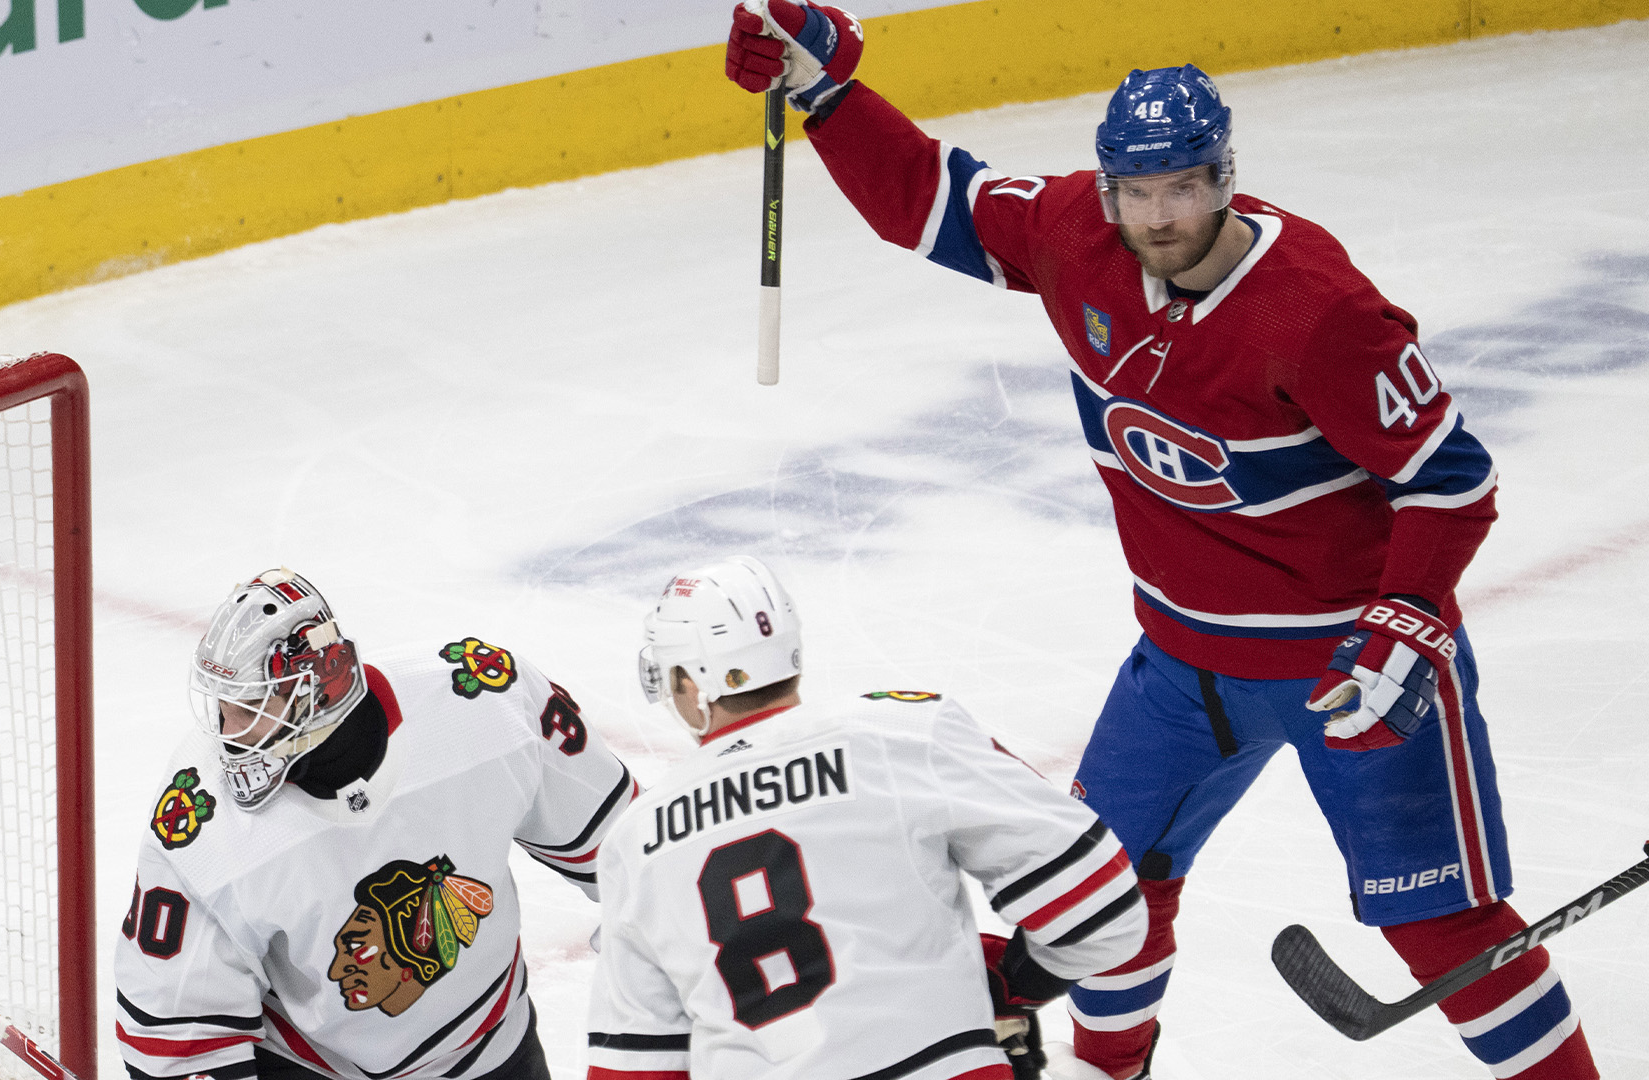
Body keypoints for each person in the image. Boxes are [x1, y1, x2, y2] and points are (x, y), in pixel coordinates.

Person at [722, 6, 1601, 1080]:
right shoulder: (1073, 236)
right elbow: (931, 198)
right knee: (1098, 888)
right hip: (1180, 665)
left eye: (1183, 187)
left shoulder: (1319, 312)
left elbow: (1451, 479)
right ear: (1106, 190)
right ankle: (1109, 1070)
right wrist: (827, 95)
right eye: (1138, 192)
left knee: (1445, 928)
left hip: (1346, 666)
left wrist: (1407, 620)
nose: (1161, 214)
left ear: (1224, 177)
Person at [584, 556, 1146, 1080]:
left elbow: (632, 1068)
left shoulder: (635, 838)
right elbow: (1103, 914)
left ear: (688, 681)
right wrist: (1012, 979)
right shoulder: (902, 731)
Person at [115, 568, 637, 1080]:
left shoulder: (484, 697)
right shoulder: (198, 816)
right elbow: (179, 1039)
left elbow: (638, 857)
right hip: (312, 1064)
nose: (228, 734)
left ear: (318, 692)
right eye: (224, 708)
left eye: (250, 707)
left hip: (491, 1045)